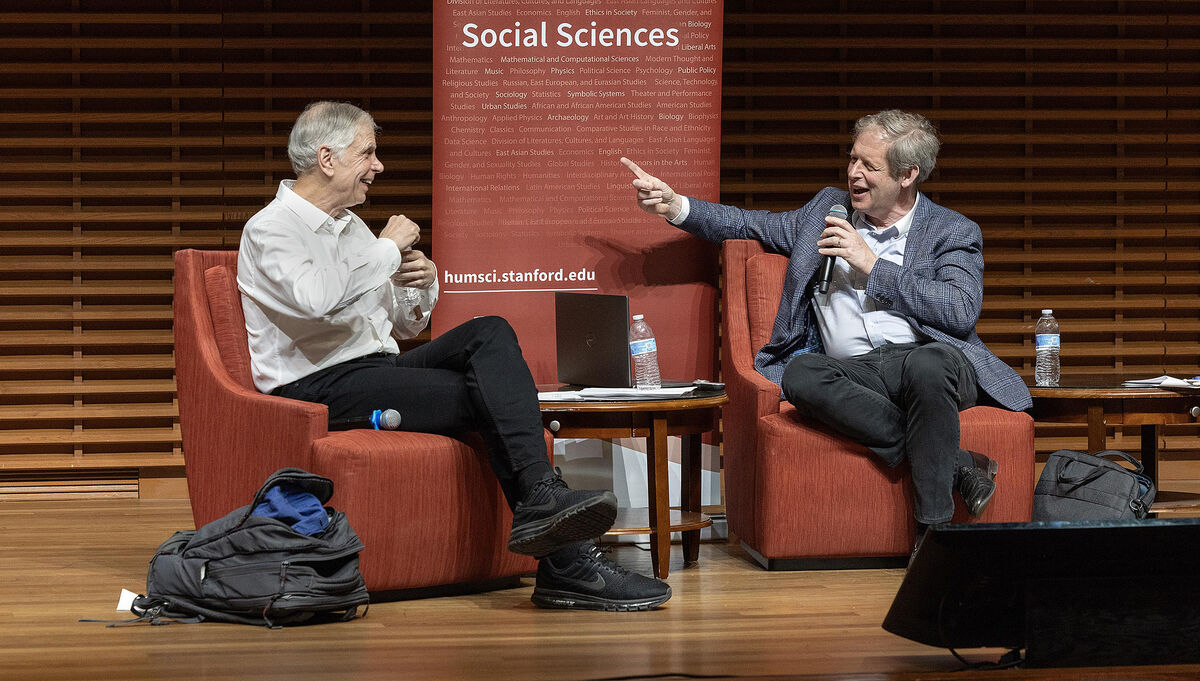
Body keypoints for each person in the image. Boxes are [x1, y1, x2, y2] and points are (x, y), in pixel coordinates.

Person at [238, 101, 670, 611]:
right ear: (327, 158)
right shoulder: (270, 230)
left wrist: (418, 285)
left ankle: (542, 508)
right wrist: (388, 250)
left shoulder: (349, 227)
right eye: (368, 153)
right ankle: (567, 560)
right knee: (498, 399)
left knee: (489, 333)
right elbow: (315, 299)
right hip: (317, 385)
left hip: (377, 367)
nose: (378, 166)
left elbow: (403, 325)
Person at [622, 110, 1032, 536]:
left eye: (870, 166)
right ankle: (960, 462)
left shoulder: (951, 231)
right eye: (853, 159)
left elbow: (959, 309)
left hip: (932, 365)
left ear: (908, 175)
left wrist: (873, 266)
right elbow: (747, 222)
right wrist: (675, 206)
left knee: (928, 365)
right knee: (801, 373)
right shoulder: (825, 212)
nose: (854, 172)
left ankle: (934, 539)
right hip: (858, 372)